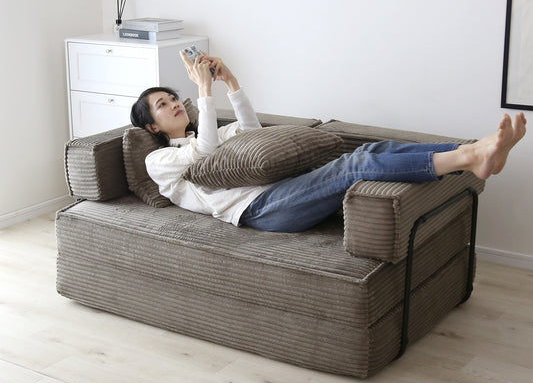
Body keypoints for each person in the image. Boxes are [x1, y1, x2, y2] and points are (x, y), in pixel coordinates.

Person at [130, 52, 527, 233]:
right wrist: (203, 90)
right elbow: (204, 153)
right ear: (152, 126)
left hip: (283, 192)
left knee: (368, 151)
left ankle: (469, 152)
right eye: (162, 105)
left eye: (173, 98)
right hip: (261, 211)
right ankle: (470, 156)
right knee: (356, 166)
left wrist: (229, 81)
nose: (174, 104)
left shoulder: (209, 134)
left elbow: (252, 131)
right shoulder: (160, 161)